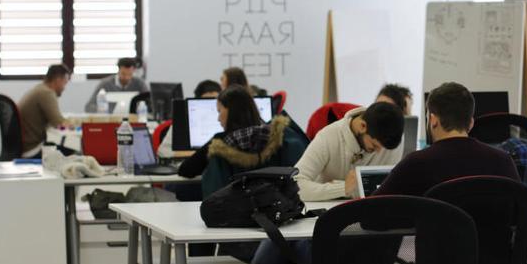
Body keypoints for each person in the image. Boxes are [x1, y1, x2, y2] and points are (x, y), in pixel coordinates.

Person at [374, 82, 518, 196]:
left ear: (433, 120)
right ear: (471, 123)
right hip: (489, 234)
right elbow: (520, 212)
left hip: (439, 234)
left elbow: (370, 215)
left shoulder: (416, 163)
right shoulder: (502, 160)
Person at [177, 85, 306, 193]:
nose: (218, 118)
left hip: (234, 212)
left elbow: (186, 170)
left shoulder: (222, 142)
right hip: (277, 209)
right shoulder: (278, 135)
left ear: (230, 111)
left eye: (219, 111)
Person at [294, 102, 404, 201]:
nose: (379, 152)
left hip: (369, 211)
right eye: (374, 145)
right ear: (362, 126)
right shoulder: (327, 137)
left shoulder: (390, 143)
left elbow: (389, 188)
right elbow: (294, 185)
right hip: (326, 210)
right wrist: (343, 188)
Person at [157, 80, 221, 159]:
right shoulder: (182, 122)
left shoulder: (224, 122)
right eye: (205, 101)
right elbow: (162, 151)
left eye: (214, 101)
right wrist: (195, 154)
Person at [19, 64, 72, 156]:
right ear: (58, 80)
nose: (64, 88)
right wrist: (77, 125)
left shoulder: (40, 88)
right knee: (72, 147)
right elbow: (60, 123)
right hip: (32, 150)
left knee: (64, 144)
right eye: (64, 83)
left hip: (25, 146)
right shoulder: (46, 93)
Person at [84, 57, 149, 112]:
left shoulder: (140, 83)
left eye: (129, 74)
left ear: (134, 71)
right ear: (118, 70)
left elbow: (150, 104)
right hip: (110, 121)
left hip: (134, 121)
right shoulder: (105, 84)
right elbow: (89, 107)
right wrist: (102, 110)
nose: (126, 77)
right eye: (123, 74)